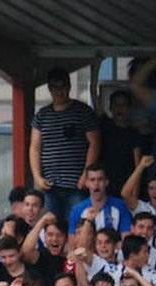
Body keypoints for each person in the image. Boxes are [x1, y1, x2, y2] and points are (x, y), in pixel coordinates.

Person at [30, 67, 100, 223]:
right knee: (51, 225)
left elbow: (94, 143)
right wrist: (37, 177)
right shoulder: (42, 115)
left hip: (77, 184)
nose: (59, 91)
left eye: (63, 86)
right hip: (50, 185)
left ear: (69, 87)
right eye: (55, 87)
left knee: (77, 223)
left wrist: (86, 174)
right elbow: (34, 147)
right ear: (49, 88)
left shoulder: (83, 111)